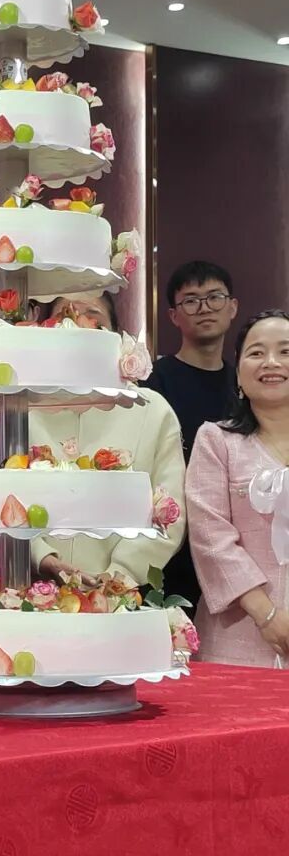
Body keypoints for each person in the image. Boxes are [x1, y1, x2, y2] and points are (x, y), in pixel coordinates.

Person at [29, 292, 186, 589]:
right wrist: (42, 556)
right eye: (64, 316)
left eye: (92, 317)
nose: (78, 325)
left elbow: (170, 510)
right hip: (33, 588)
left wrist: (117, 575)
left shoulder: (151, 409)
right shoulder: (23, 406)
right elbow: (3, 498)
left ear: (115, 336)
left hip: (120, 597)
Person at [185, 309, 289, 667]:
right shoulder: (216, 440)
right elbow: (210, 537)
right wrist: (267, 615)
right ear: (239, 375)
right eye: (257, 352)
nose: (271, 362)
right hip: (238, 637)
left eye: (285, 351)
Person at [149, 260, 239, 607]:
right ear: (173, 315)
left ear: (232, 307)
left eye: (214, 297)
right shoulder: (154, 382)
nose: (204, 307)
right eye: (191, 300)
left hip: (232, 539)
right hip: (173, 543)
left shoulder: (245, 384)